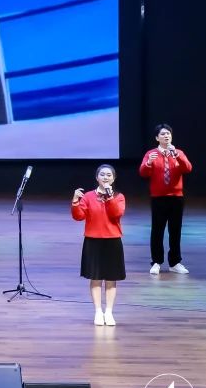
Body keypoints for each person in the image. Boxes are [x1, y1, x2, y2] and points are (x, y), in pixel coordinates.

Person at [72, 164, 127, 326]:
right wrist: (75, 201)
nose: (105, 177)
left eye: (109, 175)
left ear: (113, 178)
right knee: (95, 278)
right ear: (97, 178)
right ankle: (98, 311)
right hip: (93, 241)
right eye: (102, 174)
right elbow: (78, 216)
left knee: (111, 279)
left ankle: (108, 312)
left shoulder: (119, 196)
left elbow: (116, 213)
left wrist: (110, 197)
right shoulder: (88, 196)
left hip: (113, 240)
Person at [139, 123, 194, 275]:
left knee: (175, 231)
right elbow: (143, 173)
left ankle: (175, 262)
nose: (166, 136)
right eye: (163, 134)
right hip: (158, 198)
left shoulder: (178, 152)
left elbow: (188, 168)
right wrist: (148, 163)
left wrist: (176, 155)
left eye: (168, 133)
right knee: (157, 230)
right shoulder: (151, 154)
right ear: (157, 138)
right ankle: (156, 262)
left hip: (176, 198)